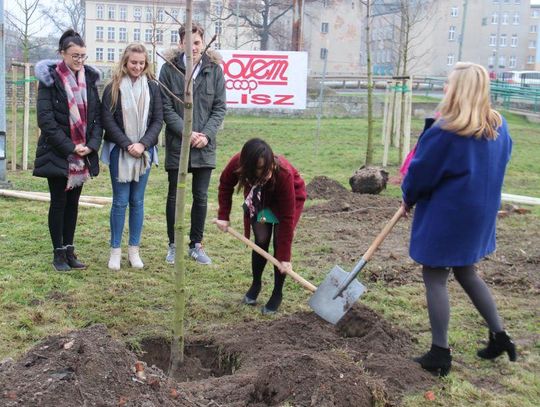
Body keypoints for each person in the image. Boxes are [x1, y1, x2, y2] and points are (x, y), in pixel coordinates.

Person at [401, 62, 516, 377]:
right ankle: (500, 336)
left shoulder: (446, 132)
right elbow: (504, 157)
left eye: (449, 84)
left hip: (448, 218)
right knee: (467, 272)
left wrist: (408, 195)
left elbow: (420, 175)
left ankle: (440, 353)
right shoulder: (498, 126)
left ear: (460, 90)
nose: (444, 89)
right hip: (479, 217)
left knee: (435, 277)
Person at [33, 29, 102, 272]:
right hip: (58, 152)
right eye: (75, 55)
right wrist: (71, 147)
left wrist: (91, 146)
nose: (80, 60)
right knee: (59, 202)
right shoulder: (49, 80)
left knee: (73, 203)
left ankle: (70, 250)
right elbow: (45, 120)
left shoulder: (90, 80)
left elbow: (97, 118)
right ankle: (58, 253)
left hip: (82, 154)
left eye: (83, 55)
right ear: (62, 54)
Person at [159, 22, 226, 265]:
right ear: (180, 43)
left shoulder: (214, 70)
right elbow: (165, 107)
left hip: (204, 146)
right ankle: (173, 245)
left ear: (203, 42)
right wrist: (187, 133)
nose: (193, 48)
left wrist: (205, 135)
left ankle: (196, 245)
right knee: (174, 197)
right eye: (188, 44)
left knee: (200, 196)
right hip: (179, 145)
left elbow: (219, 107)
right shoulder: (169, 70)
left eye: (197, 43)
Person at [216, 138, 307, 315]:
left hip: (289, 200)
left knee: (280, 246)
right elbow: (225, 184)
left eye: (268, 167)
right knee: (261, 239)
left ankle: (277, 293)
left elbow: (287, 218)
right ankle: (256, 283)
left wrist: (285, 258)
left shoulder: (283, 173)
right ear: (248, 167)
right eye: (260, 169)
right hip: (261, 200)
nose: (267, 173)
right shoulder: (238, 162)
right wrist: (223, 215)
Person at [101, 44, 163, 270]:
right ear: (125, 62)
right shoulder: (113, 87)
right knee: (119, 202)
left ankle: (134, 251)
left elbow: (158, 120)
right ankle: (115, 251)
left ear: (146, 64)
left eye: (141, 63)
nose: (137, 66)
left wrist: (143, 144)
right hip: (120, 152)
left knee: (137, 202)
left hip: (144, 152)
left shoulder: (154, 88)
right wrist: (128, 145)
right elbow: (107, 119)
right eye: (133, 62)